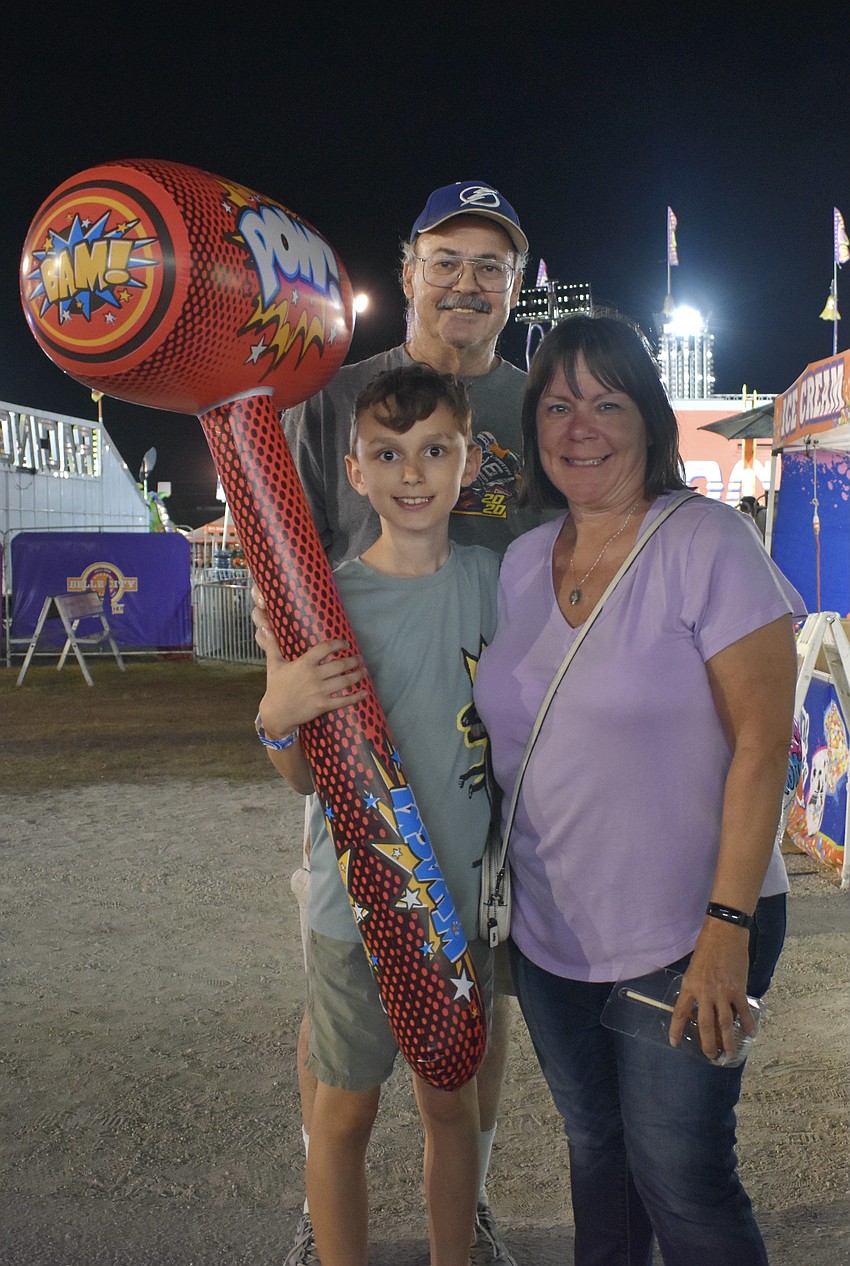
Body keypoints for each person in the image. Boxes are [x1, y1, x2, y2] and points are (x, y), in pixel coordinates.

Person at [473, 313, 806, 1266]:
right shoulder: (524, 563)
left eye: (607, 403)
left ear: (650, 423)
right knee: (597, 1156)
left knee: (683, 1176)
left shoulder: (707, 543)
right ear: (534, 425)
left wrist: (727, 930)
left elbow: (761, 749)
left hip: (691, 929)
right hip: (551, 937)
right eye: (559, 404)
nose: (581, 426)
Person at [276, 181, 532, 1266]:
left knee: (476, 1037)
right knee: (345, 1045)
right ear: (411, 267)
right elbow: (282, 566)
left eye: (492, 266)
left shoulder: (538, 398)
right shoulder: (335, 399)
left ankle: (459, 1209)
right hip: (361, 774)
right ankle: (320, 1211)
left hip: (490, 797)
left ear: (517, 284)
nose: (468, 283)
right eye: (447, 260)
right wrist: (287, 710)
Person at [256, 364, 500, 1266]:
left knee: (451, 1101)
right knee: (344, 1108)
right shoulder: (324, 602)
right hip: (351, 910)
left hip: (459, 902)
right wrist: (276, 714)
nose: (412, 473)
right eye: (387, 454)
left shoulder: (497, 582)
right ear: (353, 471)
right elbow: (298, 778)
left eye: (435, 450)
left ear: (468, 462)